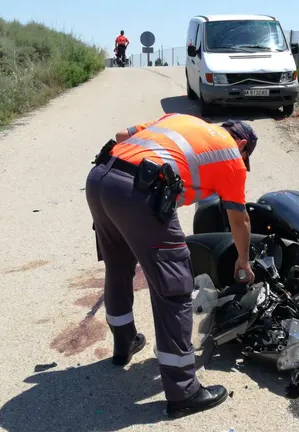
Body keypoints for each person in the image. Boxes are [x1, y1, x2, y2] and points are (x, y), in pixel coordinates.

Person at [84, 113, 258, 418]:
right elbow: (239, 219)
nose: (243, 163)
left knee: (118, 266)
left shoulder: (181, 120)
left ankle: (124, 344)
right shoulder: (231, 156)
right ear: (242, 144)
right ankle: (183, 391)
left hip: (101, 178)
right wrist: (243, 260)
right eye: (246, 157)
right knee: (174, 286)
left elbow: (122, 136)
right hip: (138, 194)